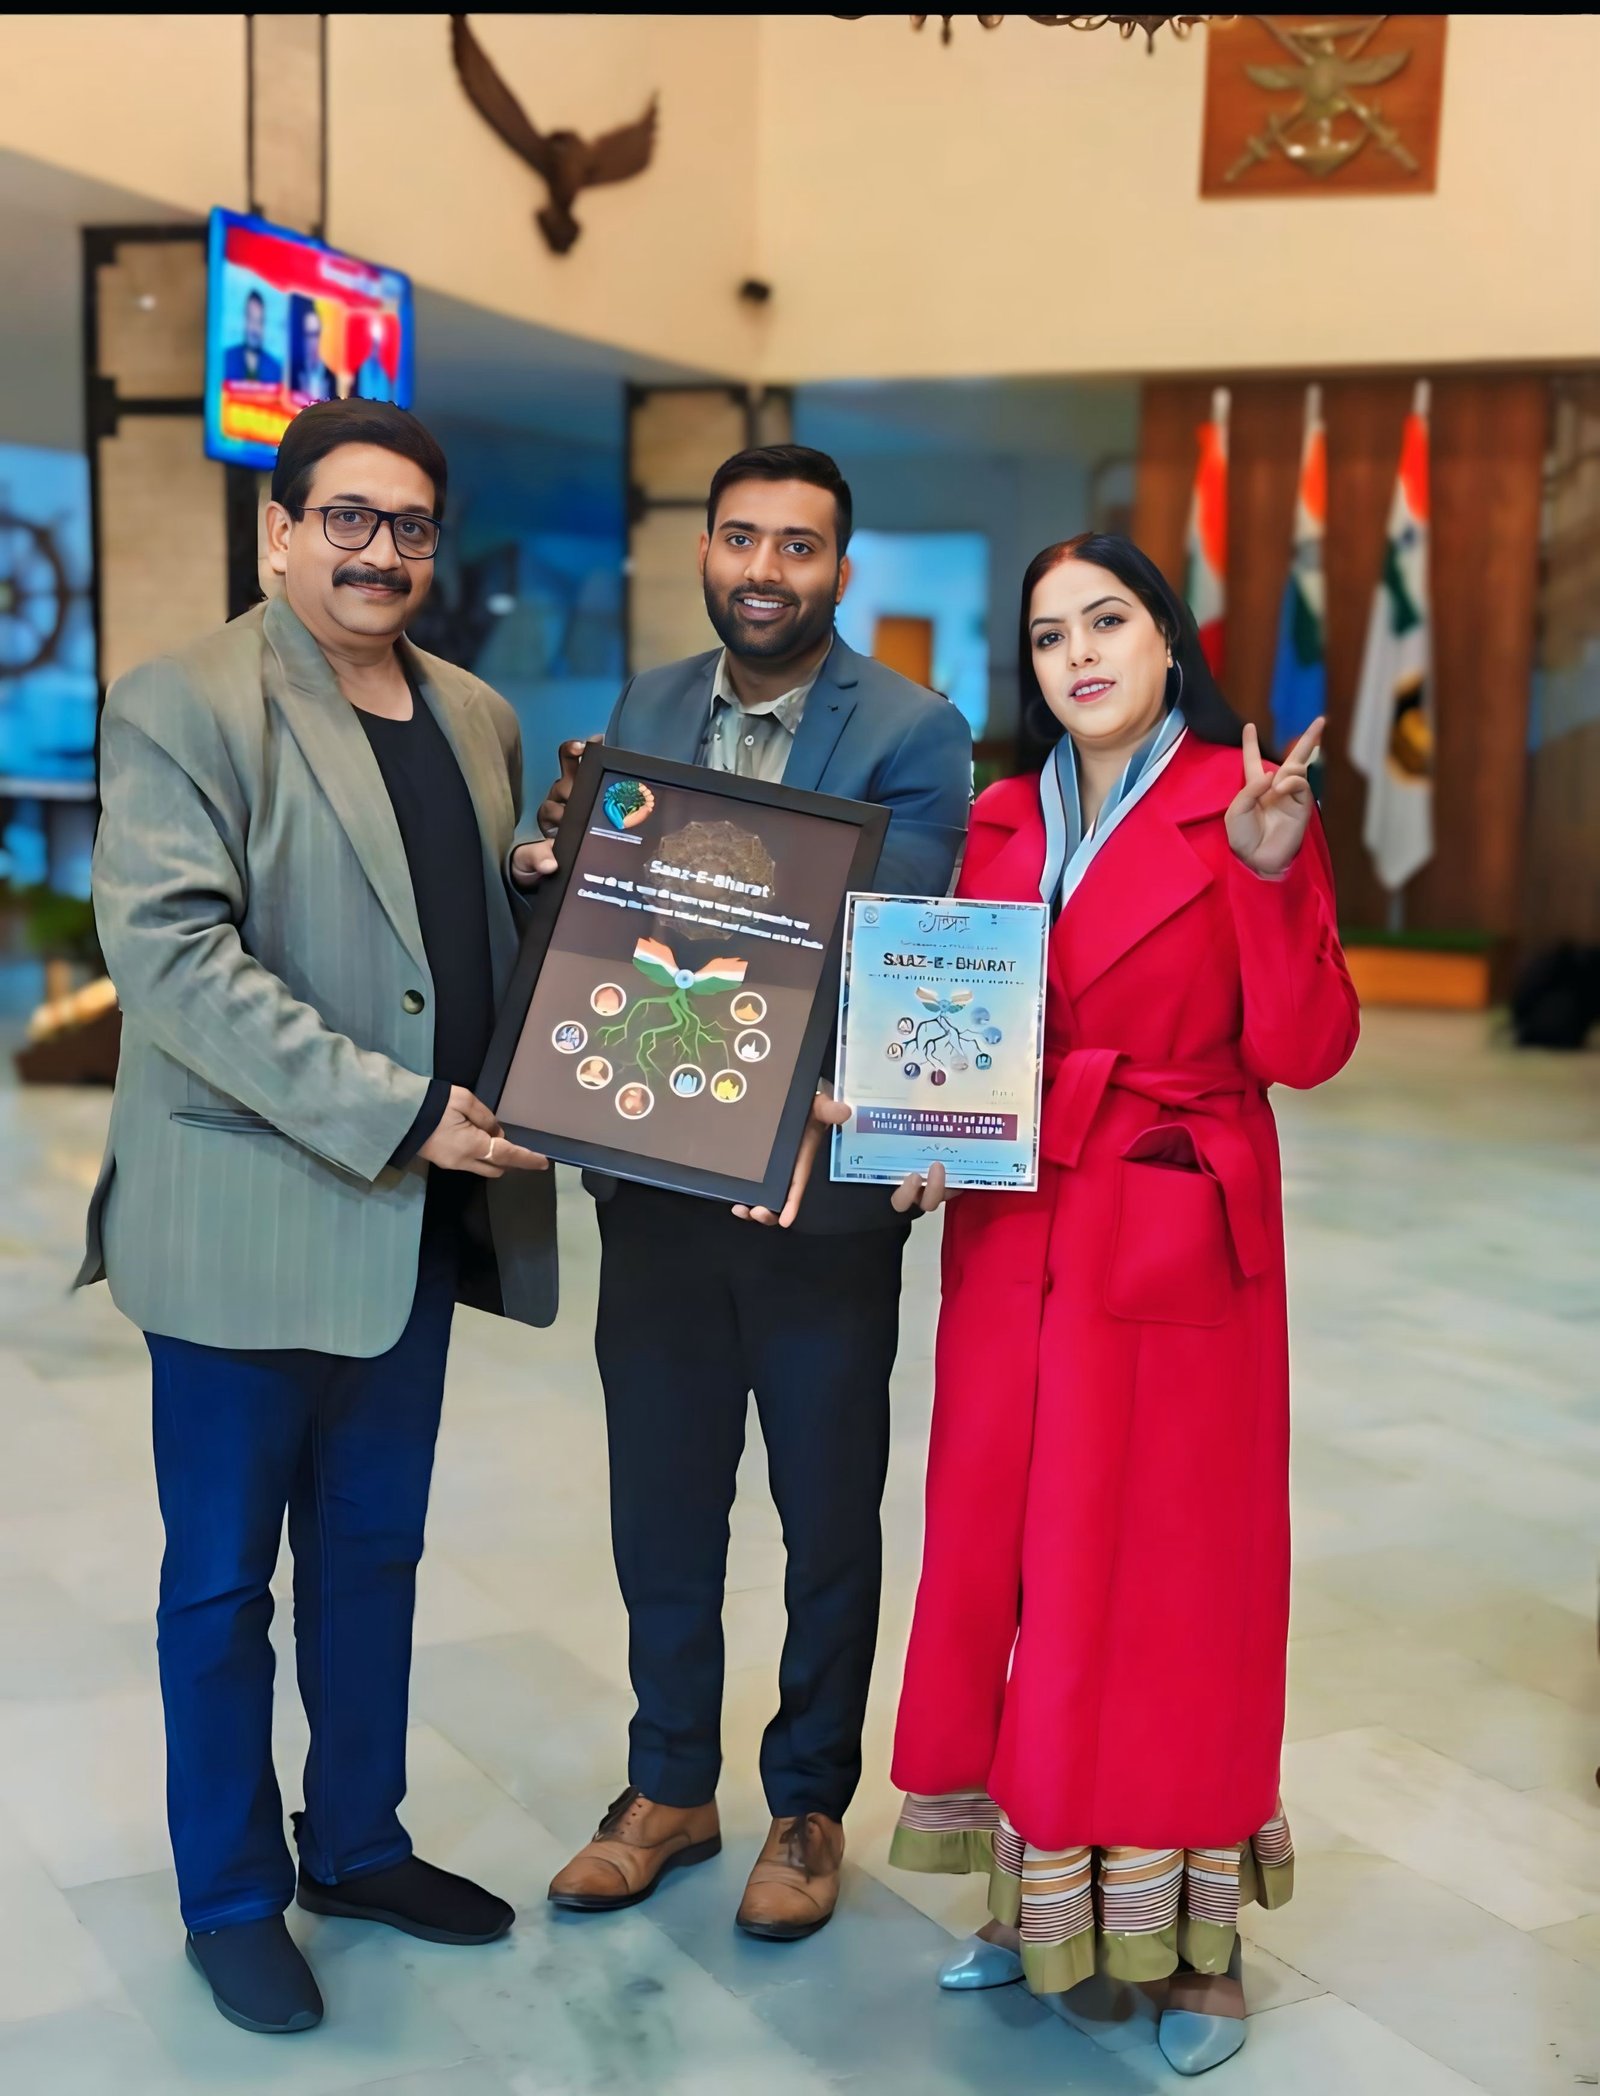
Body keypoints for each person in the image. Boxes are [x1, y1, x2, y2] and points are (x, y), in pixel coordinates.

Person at [76, 399, 556, 2038]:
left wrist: (550, 892)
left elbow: (456, 932)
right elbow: (174, 961)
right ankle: (230, 1895)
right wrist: (398, 1109)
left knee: (372, 1557)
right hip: (245, 1217)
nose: (380, 550)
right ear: (279, 531)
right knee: (222, 1587)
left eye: (409, 524)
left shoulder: (477, 715)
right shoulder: (186, 702)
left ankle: (356, 1844)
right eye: (346, 516)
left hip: (407, 1231)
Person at [884, 534, 1358, 2077]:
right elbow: (955, 1025)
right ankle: (1041, 1902)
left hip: (1169, 1222)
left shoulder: (1245, 804)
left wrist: (1273, 875)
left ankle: (1200, 1946)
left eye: (1107, 621)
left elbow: (1304, 1048)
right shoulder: (1001, 818)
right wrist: (917, 1127)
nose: (1078, 654)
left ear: (1167, 639)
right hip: (1016, 1230)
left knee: (1172, 1586)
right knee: (1014, 1566)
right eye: (1048, 636)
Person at [515, 445, 972, 1943]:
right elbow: (608, 909)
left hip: (813, 1199)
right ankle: (667, 1785)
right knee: (660, 1501)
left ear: (840, 567)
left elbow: (884, 946)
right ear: (705, 549)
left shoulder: (910, 729)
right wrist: (546, 861)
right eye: (739, 538)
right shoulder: (646, 706)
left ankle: (808, 1803)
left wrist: (784, 1123)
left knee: (825, 1514)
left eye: (797, 544)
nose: (763, 569)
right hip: (654, 1182)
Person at [223, 287, 283, 386]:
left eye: (259, 321)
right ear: (244, 320)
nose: (254, 328)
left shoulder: (275, 369)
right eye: (251, 319)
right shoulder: (225, 360)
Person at [291, 300, 338, 401]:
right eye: (308, 335)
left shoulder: (334, 376)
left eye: (316, 334)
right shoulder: (292, 374)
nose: (312, 342)